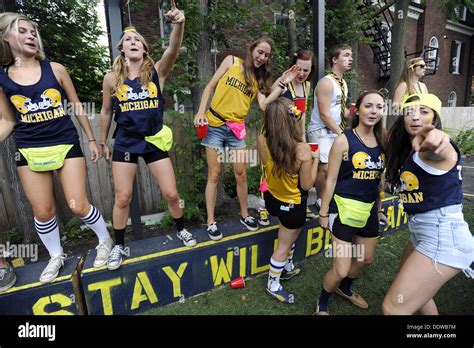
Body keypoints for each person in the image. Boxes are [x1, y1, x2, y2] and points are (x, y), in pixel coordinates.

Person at [0, 13, 113, 283]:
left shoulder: (56, 69)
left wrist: (90, 139)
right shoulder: (2, 78)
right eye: (23, 31)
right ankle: (55, 255)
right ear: (5, 37)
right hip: (28, 149)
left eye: (34, 32)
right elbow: (6, 120)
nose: (31, 36)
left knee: (77, 204)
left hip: (65, 143)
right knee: (43, 211)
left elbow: (76, 106)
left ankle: (105, 239)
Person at [99, 1, 195, 270]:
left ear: (143, 48)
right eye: (127, 39)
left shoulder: (156, 72)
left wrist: (179, 23)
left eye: (137, 40)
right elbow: (106, 112)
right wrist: (102, 141)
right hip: (126, 142)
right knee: (123, 198)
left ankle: (181, 229)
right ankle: (119, 245)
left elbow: (173, 48)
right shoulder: (111, 79)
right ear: (121, 48)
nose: (132, 42)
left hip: (153, 140)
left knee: (172, 194)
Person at [194, 37, 299, 241]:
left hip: (236, 130)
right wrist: (200, 112)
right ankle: (211, 221)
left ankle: (244, 214)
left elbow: (264, 104)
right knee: (214, 174)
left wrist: (282, 83)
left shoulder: (259, 80)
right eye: (260, 52)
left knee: (241, 173)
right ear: (251, 49)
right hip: (214, 124)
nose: (262, 57)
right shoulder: (231, 62)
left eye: (266, 55)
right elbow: (209, 86)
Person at [382, 94, 474, 315]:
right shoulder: (408, 152)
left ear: (435, 118)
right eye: (410, 111)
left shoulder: (434, 149)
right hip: (423, 232)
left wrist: (435, 138)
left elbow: (437, 145)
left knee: (392, 309)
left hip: (443, 235)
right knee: (418, 293)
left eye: (424, 111)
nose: (415, 117)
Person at [315, 91, 387, 315]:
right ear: (358, 110)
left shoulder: (383, 140)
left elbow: (379, 180)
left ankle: (344, 290)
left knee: (365, 259)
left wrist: (380, 208)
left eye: (378, 107)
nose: (373, 111)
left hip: (368, 211)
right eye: (368, 106)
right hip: (343, 209)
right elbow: (331, 179)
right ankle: (322, 303)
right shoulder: (344, 139)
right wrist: (324, 212)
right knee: (341, 269)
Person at [257, 97, 319, 303]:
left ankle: (287, 267)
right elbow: (308, 185)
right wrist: (316, 158)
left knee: (288, 236)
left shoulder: (261, 138)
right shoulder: (301, 150)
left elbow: (267, 165)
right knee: (284, 245)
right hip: (292, 206)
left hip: (272, 199)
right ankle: (273, 284)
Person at [257, 50, 316, 226]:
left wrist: (303, 136)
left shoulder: (307, 86)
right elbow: (265, 105)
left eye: (306, 70)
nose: (302, 74)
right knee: (269, 169)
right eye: (299, 69)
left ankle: (296, 203)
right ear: (293, 67)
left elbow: (302, 111)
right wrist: (284, 82)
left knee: (293, 171)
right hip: (273, 135)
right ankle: (262, 207)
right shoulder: (284, 83)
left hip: (292, 137)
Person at [307, 44, 352, 210]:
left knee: (336, 167)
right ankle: (319, 200)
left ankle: (329, 198)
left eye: (351, 56)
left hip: (333, 132)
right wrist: (341, 133)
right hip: (320, 131)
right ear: (335, 59)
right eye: (346, 55)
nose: (351, 59)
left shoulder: (343, 84)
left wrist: (354, 112)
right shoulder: (326, 83)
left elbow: (341, 111)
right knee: (324, 168)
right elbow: (325, 114)